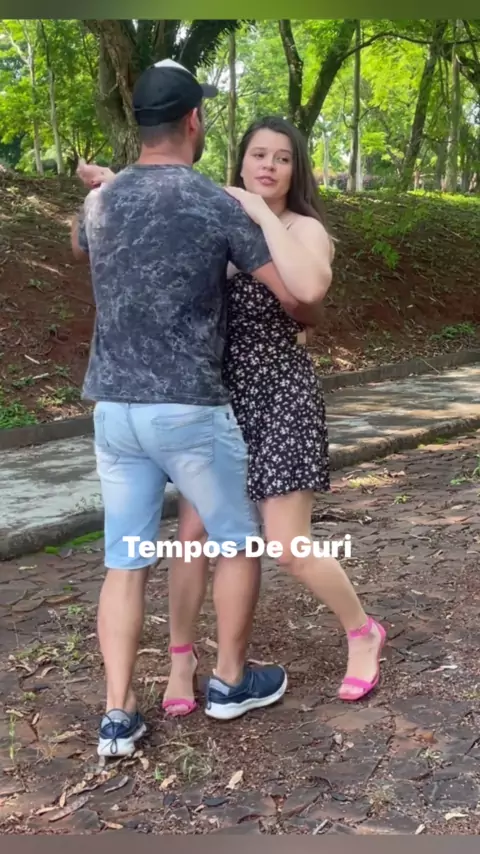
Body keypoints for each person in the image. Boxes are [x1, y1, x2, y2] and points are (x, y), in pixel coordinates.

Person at [79, 111, 386, 724]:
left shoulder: (303, 228)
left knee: (287, 545)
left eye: (282, 158)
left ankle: (362, 631)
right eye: (258, 154)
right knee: (191, 538)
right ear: (240, 160)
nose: (268, 166)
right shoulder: (211, 210)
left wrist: (261, 214)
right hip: (213, 397)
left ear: (295, 171)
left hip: (279, 396)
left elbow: (310, 291)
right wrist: (113, 185)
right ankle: (183, 662)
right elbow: (155, 216)